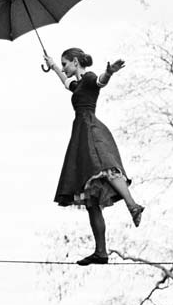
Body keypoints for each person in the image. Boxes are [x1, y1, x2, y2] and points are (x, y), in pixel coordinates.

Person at [45, 47, 144, 265]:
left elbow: (100, 81)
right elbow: (66, 83)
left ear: (76, 62)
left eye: (65, 64)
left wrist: (110, 72)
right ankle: (101, 252)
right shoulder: (78, 84)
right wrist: (53, 67)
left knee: (106, 168)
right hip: (80, 135)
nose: (64, 68)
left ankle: (133, 205)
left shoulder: (89, 78)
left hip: (91, 129)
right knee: (91, 199)